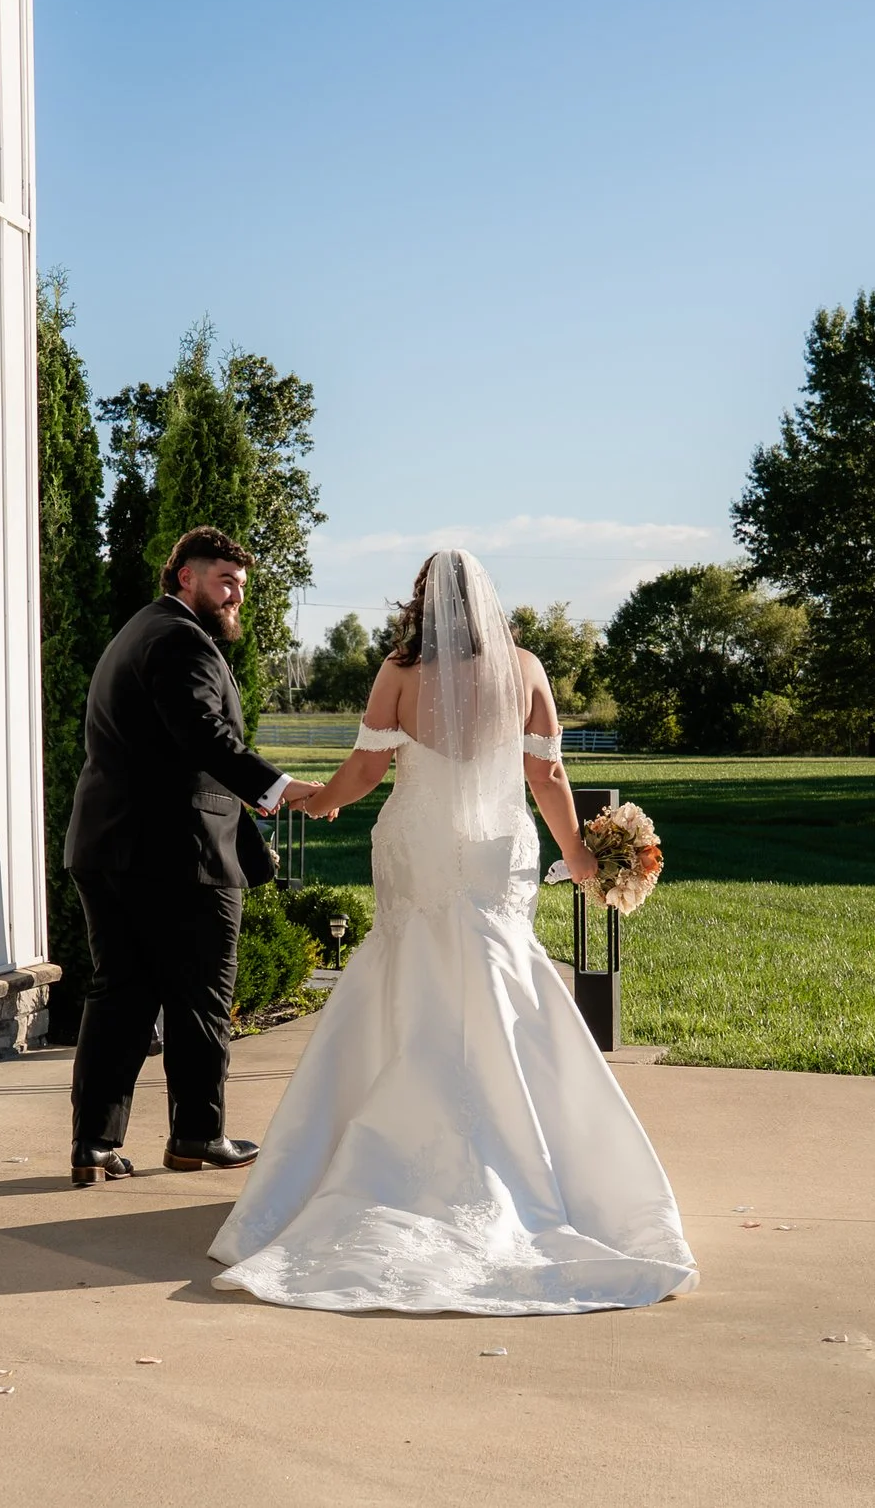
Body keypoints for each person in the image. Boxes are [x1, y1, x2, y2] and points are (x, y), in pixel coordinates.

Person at [207, 549, 699, 1314]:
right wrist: (581, 856)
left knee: (405, 982)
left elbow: (366, 775)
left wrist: (316, 801)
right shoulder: (526, 669)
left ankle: (376, 1167)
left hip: (420, 847)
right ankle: (542, 1172)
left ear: (422, 602)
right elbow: (549, 778)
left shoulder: (399, 673)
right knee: (509, 984)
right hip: (498, 853)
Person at [61, 526, 323, 1186]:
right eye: (224, 580)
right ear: (186, 578)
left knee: (118, 993)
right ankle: (196, 1136)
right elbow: (203, 734)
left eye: (240, 584)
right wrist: (283, 788)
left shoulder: (139, 632)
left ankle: (94, 1144)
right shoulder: (180, 640)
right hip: (180, 855)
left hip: (108, 846)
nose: (235, 594)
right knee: (201, 998)